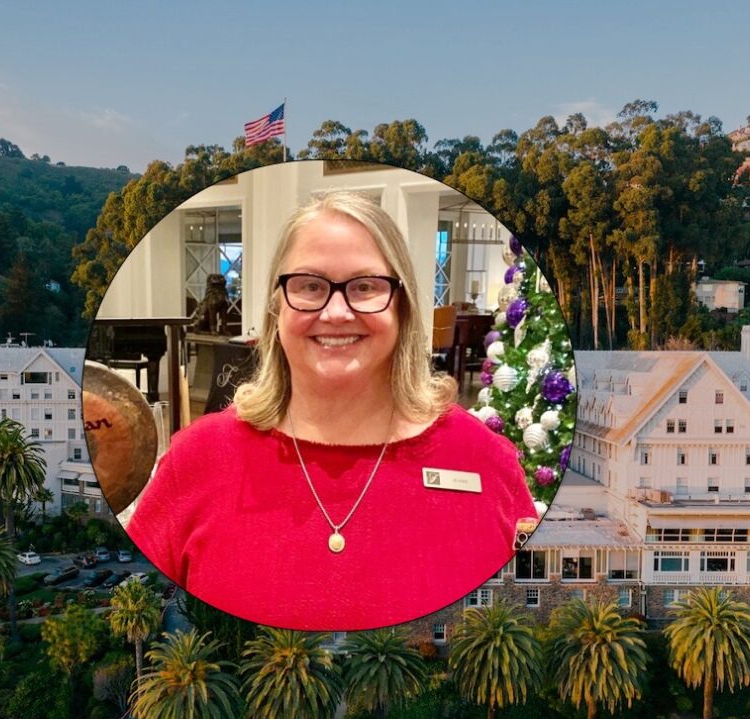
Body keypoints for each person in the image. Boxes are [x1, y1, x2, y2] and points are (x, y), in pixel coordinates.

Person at [124, 191, 536, 630]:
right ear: (275, 306)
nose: (336, 312)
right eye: (310, 286)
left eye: (364, 287)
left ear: (402, 305)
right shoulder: (198, 458)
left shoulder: (481, 459)